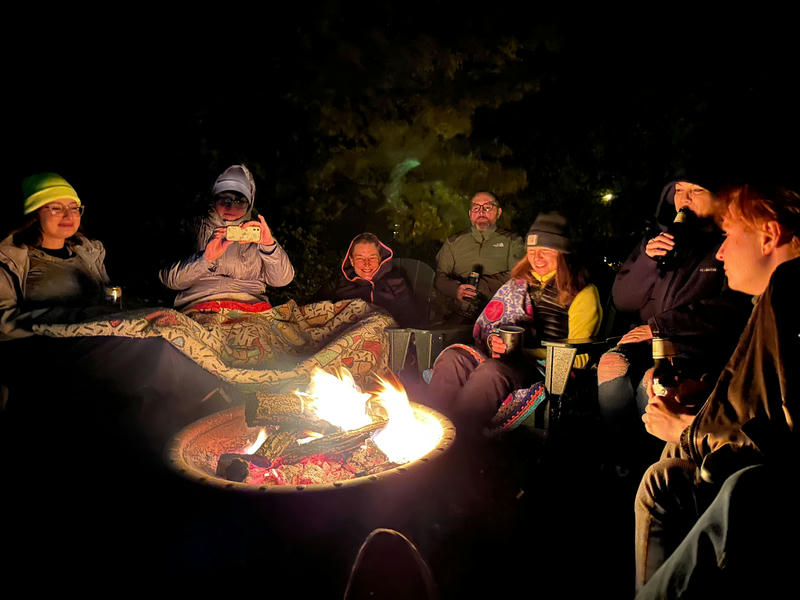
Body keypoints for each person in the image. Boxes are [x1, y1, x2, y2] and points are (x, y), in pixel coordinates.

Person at [633, 184, 800, 591]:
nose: (721, 252)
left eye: (728, 237)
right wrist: (705, 395)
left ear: (769, 235)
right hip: (740, 460)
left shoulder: (789, 295)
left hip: (763, 483)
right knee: (667, 473)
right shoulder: (769, 300)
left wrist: (686, 431)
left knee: (665, 480)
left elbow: (781, 437)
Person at [0, 173, 241, 452]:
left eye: (74, 207)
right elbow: (4, 322)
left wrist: (113, 307)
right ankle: (217, 411)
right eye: (55, 207)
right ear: (33, 212)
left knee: (170, 329)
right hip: (48, 346)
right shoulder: (12, 256)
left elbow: (105, 302)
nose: (68, 214)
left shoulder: (85, 251)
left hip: (98, 335)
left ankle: (185, 435)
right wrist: (72, 317)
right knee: (156, 352)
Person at [597, 179, 752, 474]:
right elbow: (623, 298)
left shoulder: (727, 244)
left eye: (696, 190)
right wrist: (647, 261)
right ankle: (621, 458)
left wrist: (660, 326)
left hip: (696, 344)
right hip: (651, 338)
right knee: (610, 364)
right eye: (679, 191)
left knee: (653, 382)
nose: (685, 199)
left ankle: (656, 464)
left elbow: (732, 308)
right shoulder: (658, 241)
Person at [425, 211, 602, 434]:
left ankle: (457, 436)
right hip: (506, 357)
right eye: (531, 252)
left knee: (491, 371)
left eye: (545, 252)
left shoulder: (582, 293)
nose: (536, 259)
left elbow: (581, 357)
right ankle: (429, 430)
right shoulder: (517, 285)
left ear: (564, 254)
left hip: (545, 369)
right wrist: (495, 341)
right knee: (454, 358)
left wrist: (524, 352)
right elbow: (492, 324)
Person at [159, 164, 294, 309]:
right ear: (214, 199)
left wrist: (269, 246)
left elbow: (282, 280)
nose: (231, 208)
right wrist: (205, 259)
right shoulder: (194, 226)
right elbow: (171, 281)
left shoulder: (257, 234)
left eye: (239, 201)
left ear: (249, 204)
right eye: (225, 199)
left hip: (251, 306)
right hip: (200, 303)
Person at [434, 192, 525, 323]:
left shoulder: (513, 241)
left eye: (487, 207)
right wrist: (457, 290)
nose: (481, 211)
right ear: (470, 214)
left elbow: (518, 275)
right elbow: (439, 277)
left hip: (500, 314)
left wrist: (481, 287)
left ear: (498, 213)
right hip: (460, 313)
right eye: (476, 208)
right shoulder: (453, 243)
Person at [321, 232, 423, 328]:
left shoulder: (394, 282)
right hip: (340, 337)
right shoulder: (339, 282)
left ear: (380, 259)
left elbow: (411, 318)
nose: (367, 264)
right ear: (351, 261)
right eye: (360, 258)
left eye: (372, 258)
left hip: (383, 337)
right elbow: (316, 310)